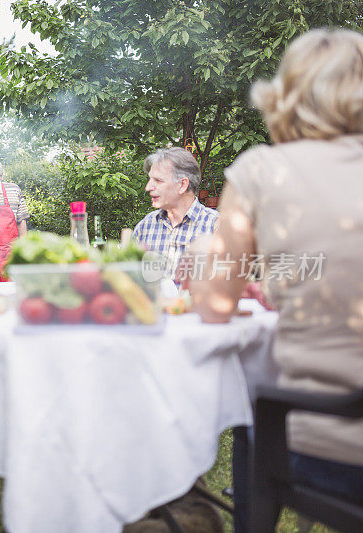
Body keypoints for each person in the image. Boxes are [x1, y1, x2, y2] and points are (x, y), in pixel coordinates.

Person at [190, 28, 363, 526]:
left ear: (287, 95)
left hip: (332, 449)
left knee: (252, 415)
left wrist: (206, 252)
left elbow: (214, 309)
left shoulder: (262, 171)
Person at [132, 147, 218, 277]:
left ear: (182, 185)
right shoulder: (145, 226)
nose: (148, 187)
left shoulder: (215, 226)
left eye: (158, 180)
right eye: (149, 179)